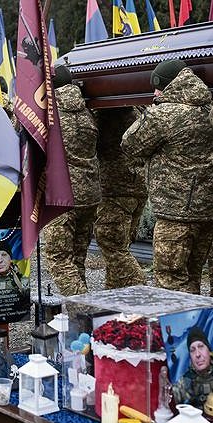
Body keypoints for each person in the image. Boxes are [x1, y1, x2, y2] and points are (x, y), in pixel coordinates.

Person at [122, 59, 213, 294]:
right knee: (192, 273)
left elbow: (130, 144)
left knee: (170, 280)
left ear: (168, 86)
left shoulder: (165, 114)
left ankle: (180, 330)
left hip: (175, 213)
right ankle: (198, 329)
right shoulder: (212, 108)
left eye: (157, 87)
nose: (154, 93)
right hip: (210, 211)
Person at [43, 65, 101, 296]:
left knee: (58, 258)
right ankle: (81, 316)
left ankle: (84, 310)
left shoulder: (48, 114)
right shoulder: (87, 112)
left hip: (62, 195)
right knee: (76, 257)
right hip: (89, 193)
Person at [94, 106, 146, 289]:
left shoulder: (104, 115)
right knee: (121, 246)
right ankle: (113, 297)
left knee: (112, 244)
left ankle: (139, 284)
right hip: (138, 187)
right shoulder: (139, 110)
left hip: (115, 189)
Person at [172, 327, 213, 407]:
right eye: (192, 350)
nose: (197, 354)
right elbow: (170, 402)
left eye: (201, 347)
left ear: (209, 351)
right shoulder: (183, 382)